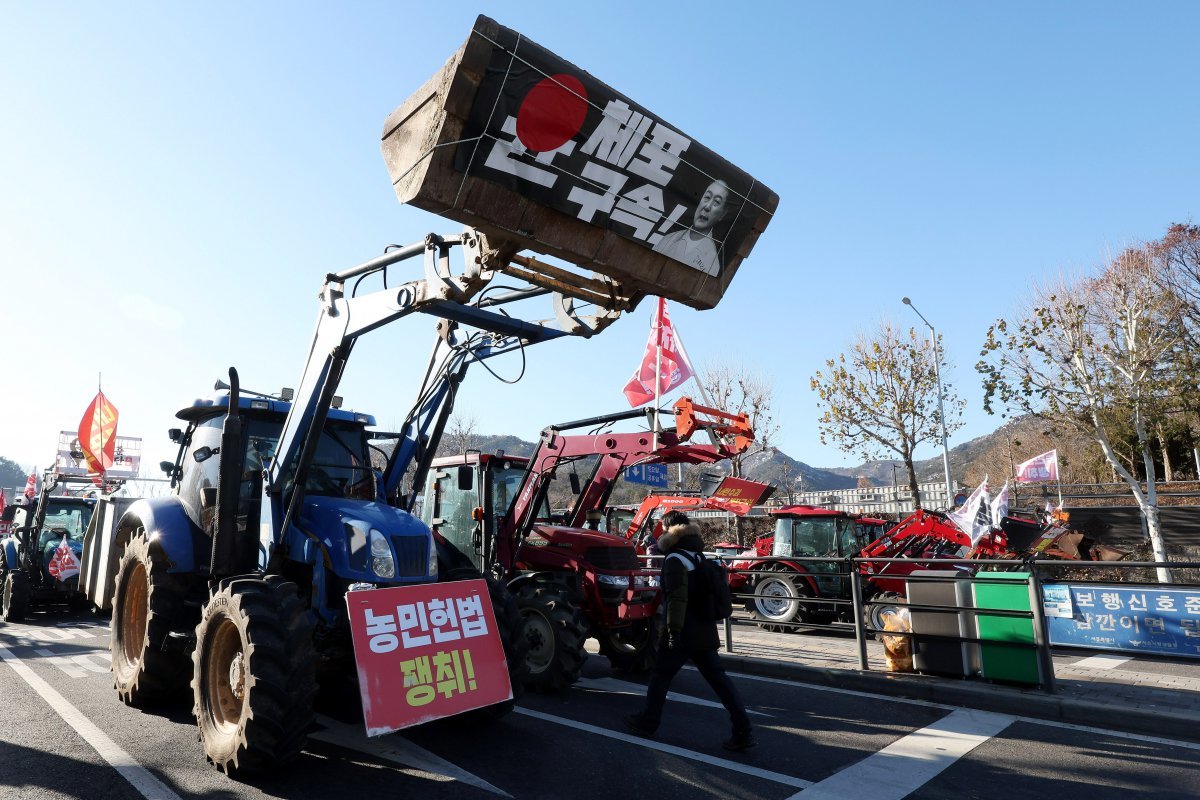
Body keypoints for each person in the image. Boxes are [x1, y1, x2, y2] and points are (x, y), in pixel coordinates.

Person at [623, 510, 756, 751]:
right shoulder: (698, 556)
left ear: (669, 530)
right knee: (720, 682)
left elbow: (677, 600)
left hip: (682, 631)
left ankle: (647, 722)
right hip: (704, 631)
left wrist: (672, 632)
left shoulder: (675, 559)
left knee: (660, 676)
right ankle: (743, 731)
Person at [652, 180, 730, 277]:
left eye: (717, 202)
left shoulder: (712, 263)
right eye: (707, 197)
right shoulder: (667, 240)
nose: (707, 206)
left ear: (723, 213)